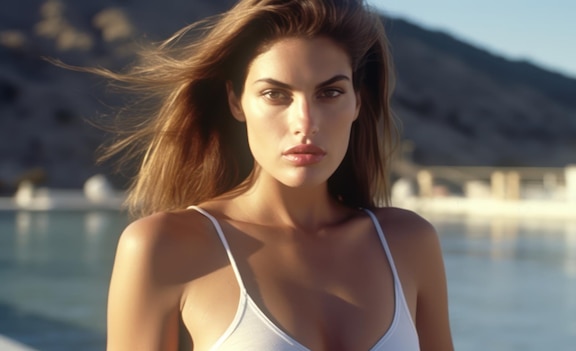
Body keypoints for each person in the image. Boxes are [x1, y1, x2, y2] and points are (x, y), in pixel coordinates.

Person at [102, 0, 454, 349]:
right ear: (236, 101)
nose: (305, 123)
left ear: (357, 103)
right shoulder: (163, 246)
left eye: (330, 93)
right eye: (275, 94)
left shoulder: (408, 242)